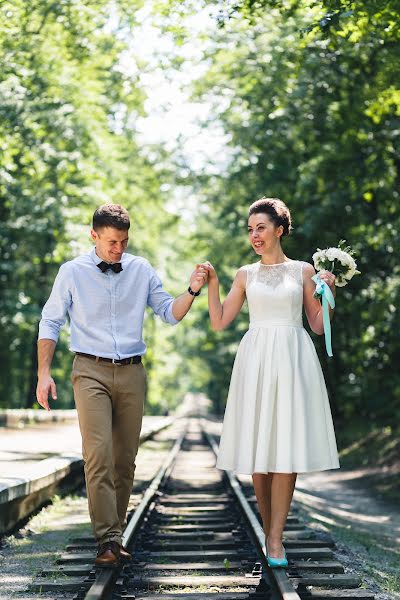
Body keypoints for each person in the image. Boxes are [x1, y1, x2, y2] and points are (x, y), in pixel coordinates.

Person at [36, 204, 207, 567]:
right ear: (94, 235)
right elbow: (50, 321)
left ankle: (115, 534)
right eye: (112, 242)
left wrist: (191, 291)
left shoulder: (141, 269)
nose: (119, 249)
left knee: (124, 460)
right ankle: (108, 540)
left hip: (131, 372)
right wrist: (43, 373)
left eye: (124, 242)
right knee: (98, 454)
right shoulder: (72, 272)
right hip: (89, 370)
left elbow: (168, 313)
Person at [203, 197, 339, 568]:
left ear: (279, 229)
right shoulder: (245, 274)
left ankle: (275, 539)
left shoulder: (303, 271)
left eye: (260, 228)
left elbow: (315, 324)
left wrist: (329, 291)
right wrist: (213, 283)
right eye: (250, 230)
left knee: (285, 450)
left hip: (293, 356)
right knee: (259, 460)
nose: (254, 235)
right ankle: (269, 530)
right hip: (257, 358)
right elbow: (219, 321)